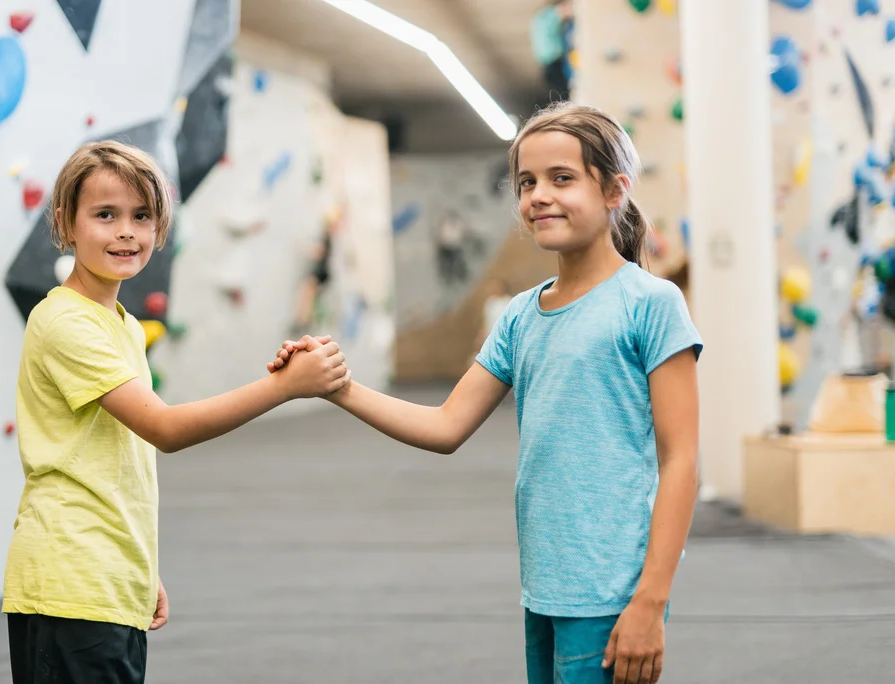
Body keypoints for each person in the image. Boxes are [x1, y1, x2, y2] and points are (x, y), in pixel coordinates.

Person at [270, 101, 701, 684]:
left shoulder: (650, 304)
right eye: (527, 182)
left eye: (562, 179)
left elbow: (681, 462)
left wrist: (650, 600)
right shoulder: (521, 316)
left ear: (614, 190)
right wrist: (336, 387)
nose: (538, 196)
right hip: (546, 586)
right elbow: (445, 427)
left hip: (612, 593)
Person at [3, 140, 351, 684]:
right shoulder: (66, 323)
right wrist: (283, 387)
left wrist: (136, 566)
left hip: (104, 575)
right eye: (105, 215)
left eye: (141, 216)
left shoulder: (117, 322)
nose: (126, 231)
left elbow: (120, 457)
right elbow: (164, 428)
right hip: (70, 584)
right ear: (66, 223)